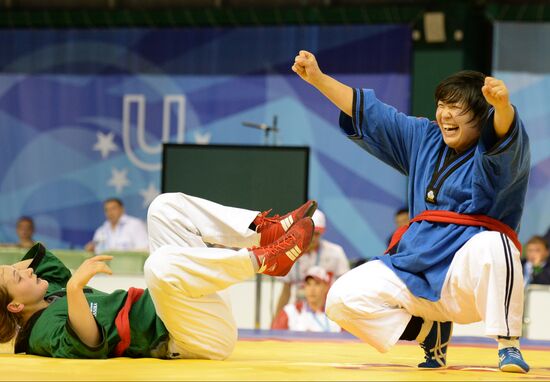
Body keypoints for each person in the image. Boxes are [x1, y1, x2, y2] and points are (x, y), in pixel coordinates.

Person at [293, 50, 531, 373]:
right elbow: (372, 114)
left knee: (497, 244)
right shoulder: (424, 137)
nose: (445, 115)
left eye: (456, 107)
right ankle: (428, 332)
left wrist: (503, 107)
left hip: (465, 278)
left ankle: (508, 344)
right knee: (341, 299)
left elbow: (503, 132)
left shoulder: (494, 151)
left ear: (482, 117)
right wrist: (317, 79)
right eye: (442, 105)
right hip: (414, 267)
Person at [0, 193, 316, 359]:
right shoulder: (37, 333)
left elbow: (31, 261)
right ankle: (260, 262)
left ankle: (261, 234)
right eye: (18, 277)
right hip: (191, 340)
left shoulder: (45, 288)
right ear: (15, 307)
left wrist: (16, 277)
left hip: (186, 307)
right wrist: (74, 287)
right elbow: (89, 342)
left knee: (162, 207)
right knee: (157, 265)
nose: (26, 269)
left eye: (19, 267)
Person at [273, 209, 349, 318]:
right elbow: (285, 292)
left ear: (323, 232)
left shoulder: (336, 253)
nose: (311, 238)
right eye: (309, 233)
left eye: (316, 234)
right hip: (298, 314)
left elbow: (345, 289)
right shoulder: (288, 253)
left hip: (327, 313)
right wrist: (276, 322)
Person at [271, 266, 341, 333]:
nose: (312, 289)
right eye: (308, 284)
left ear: (326, 287)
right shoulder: (291, 312)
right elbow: (273, 339)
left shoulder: (338, 315)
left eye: (317, 284)